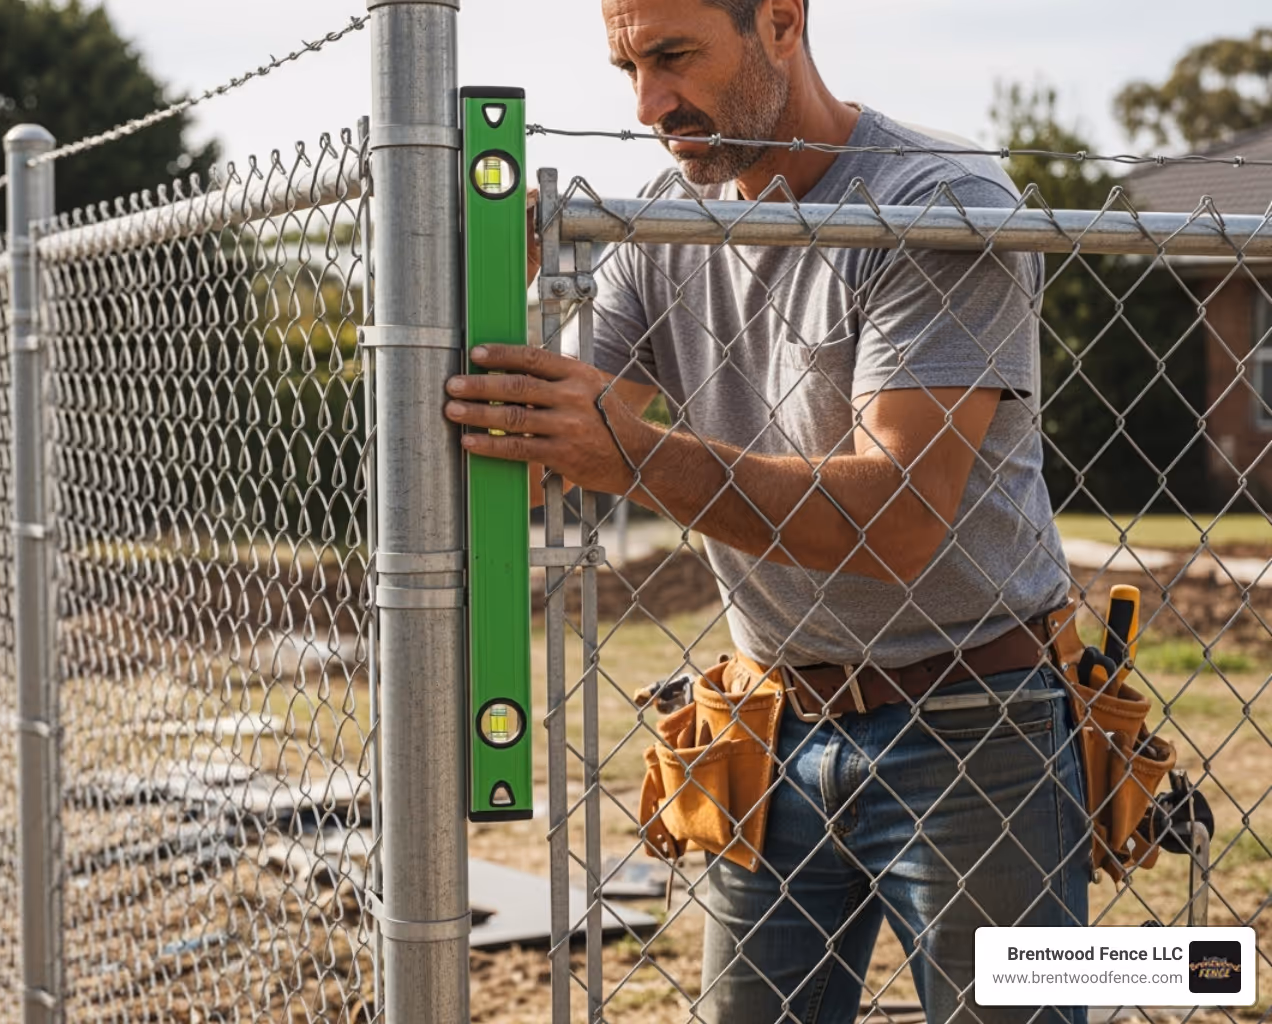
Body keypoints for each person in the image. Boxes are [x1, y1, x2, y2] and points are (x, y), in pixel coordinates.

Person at [442, 0, 1089, 1022]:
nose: (652, 102)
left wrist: (627, 453)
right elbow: (541, 456)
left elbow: (899, 519)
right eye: (628, 70)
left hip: (976, 723)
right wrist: (481, 297)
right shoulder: (666, 221)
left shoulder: (939, 202)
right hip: (773, 727)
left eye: (673, 56)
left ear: (781, 20)